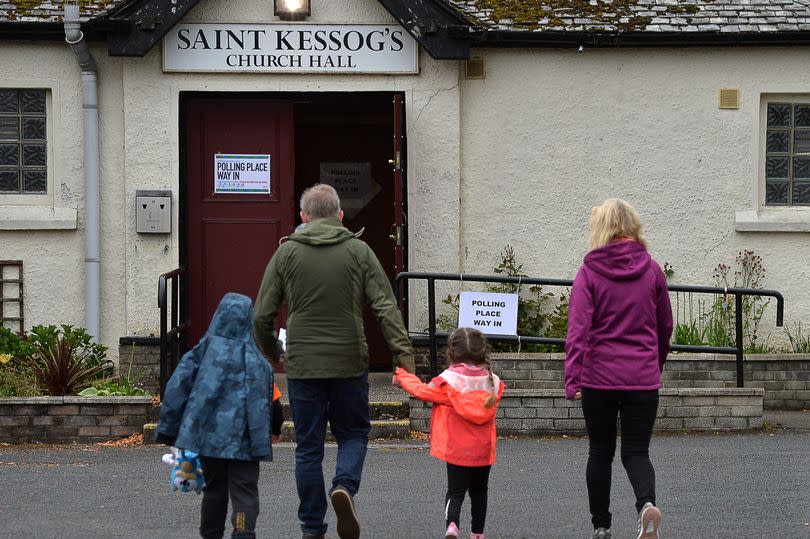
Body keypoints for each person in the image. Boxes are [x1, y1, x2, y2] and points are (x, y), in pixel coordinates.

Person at [253, 183, 415, 539]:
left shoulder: (286, 255)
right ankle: (344, 486)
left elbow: (262, 315)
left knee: (308, 447)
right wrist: (403, 359)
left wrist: (274, 351)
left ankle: (312, 527)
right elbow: (386, 307)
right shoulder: (359, 251)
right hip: (348, 361)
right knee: (354, 433)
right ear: (341, 215)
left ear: (303, 217)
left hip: (303, 365)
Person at [565, 198, 673, 539]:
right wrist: (653, 365)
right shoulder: (652, 269)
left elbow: (577, 330)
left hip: (599, 379)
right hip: (641, 378)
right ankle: (646, 506)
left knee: (600, 451)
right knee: (637, 451)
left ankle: (601, 526)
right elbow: (665, 325)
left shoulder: (589, 272)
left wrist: (573, 378)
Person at [155, 292, 278, 539]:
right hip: (245, 440)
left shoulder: (200, 353)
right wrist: (273, 429)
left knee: (214, 489)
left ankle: (211, 534)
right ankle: (243, 530)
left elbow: (177, 388)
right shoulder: (257, 361)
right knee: (244, 492)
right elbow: (271, 400)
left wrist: (169, 429)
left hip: (208, 436)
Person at [395, 327, 505, 539]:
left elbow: (421, 391)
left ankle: (452, 526)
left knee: (455, 493)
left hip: (456, 450)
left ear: (452, 353)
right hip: (483, 451)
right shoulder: (493, 382)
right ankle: (477, 534)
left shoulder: (448, 382)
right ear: (483, 351)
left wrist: (402, 375)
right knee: (480, 493)